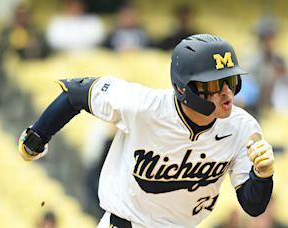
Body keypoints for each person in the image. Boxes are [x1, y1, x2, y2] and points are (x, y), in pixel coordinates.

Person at [18, 34, 274, 227]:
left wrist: (262, 175)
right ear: (184, 88)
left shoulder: (242, 127)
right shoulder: (144, 106)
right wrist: (37, 137)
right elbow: (77, 92)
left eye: (231, 81)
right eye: (215, 84)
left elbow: (253, 207)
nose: (227, 92)